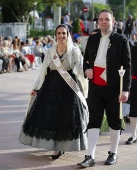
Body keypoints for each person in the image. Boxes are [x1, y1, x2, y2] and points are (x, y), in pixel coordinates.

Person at [19, 24, 89, 159]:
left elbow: (80, 70)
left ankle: (62, 147)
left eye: (64, 33)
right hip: (50, 88)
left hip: (68, 89)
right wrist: (36, 87)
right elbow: (43, 71)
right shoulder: (50, 52)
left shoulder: (74, 51)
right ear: (55, 35)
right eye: (59, 33)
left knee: (65, 118)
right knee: (51, 117)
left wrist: (86, 76)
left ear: (68, 35)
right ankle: (54, 147)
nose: (61, 36)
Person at [78, 9, 131, 167]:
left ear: (113, 21)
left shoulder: (122, 40)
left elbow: (127, 66)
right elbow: (86, 60)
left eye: (106, 19)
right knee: (93, 121)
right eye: (101, 19)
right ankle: (90, 156)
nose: (103, 22)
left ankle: (113, 153)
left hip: (114, 87)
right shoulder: (92, 39)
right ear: (98, 22)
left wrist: (126, 89)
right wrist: (86, 70)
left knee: (115, 121)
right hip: (95, 87)